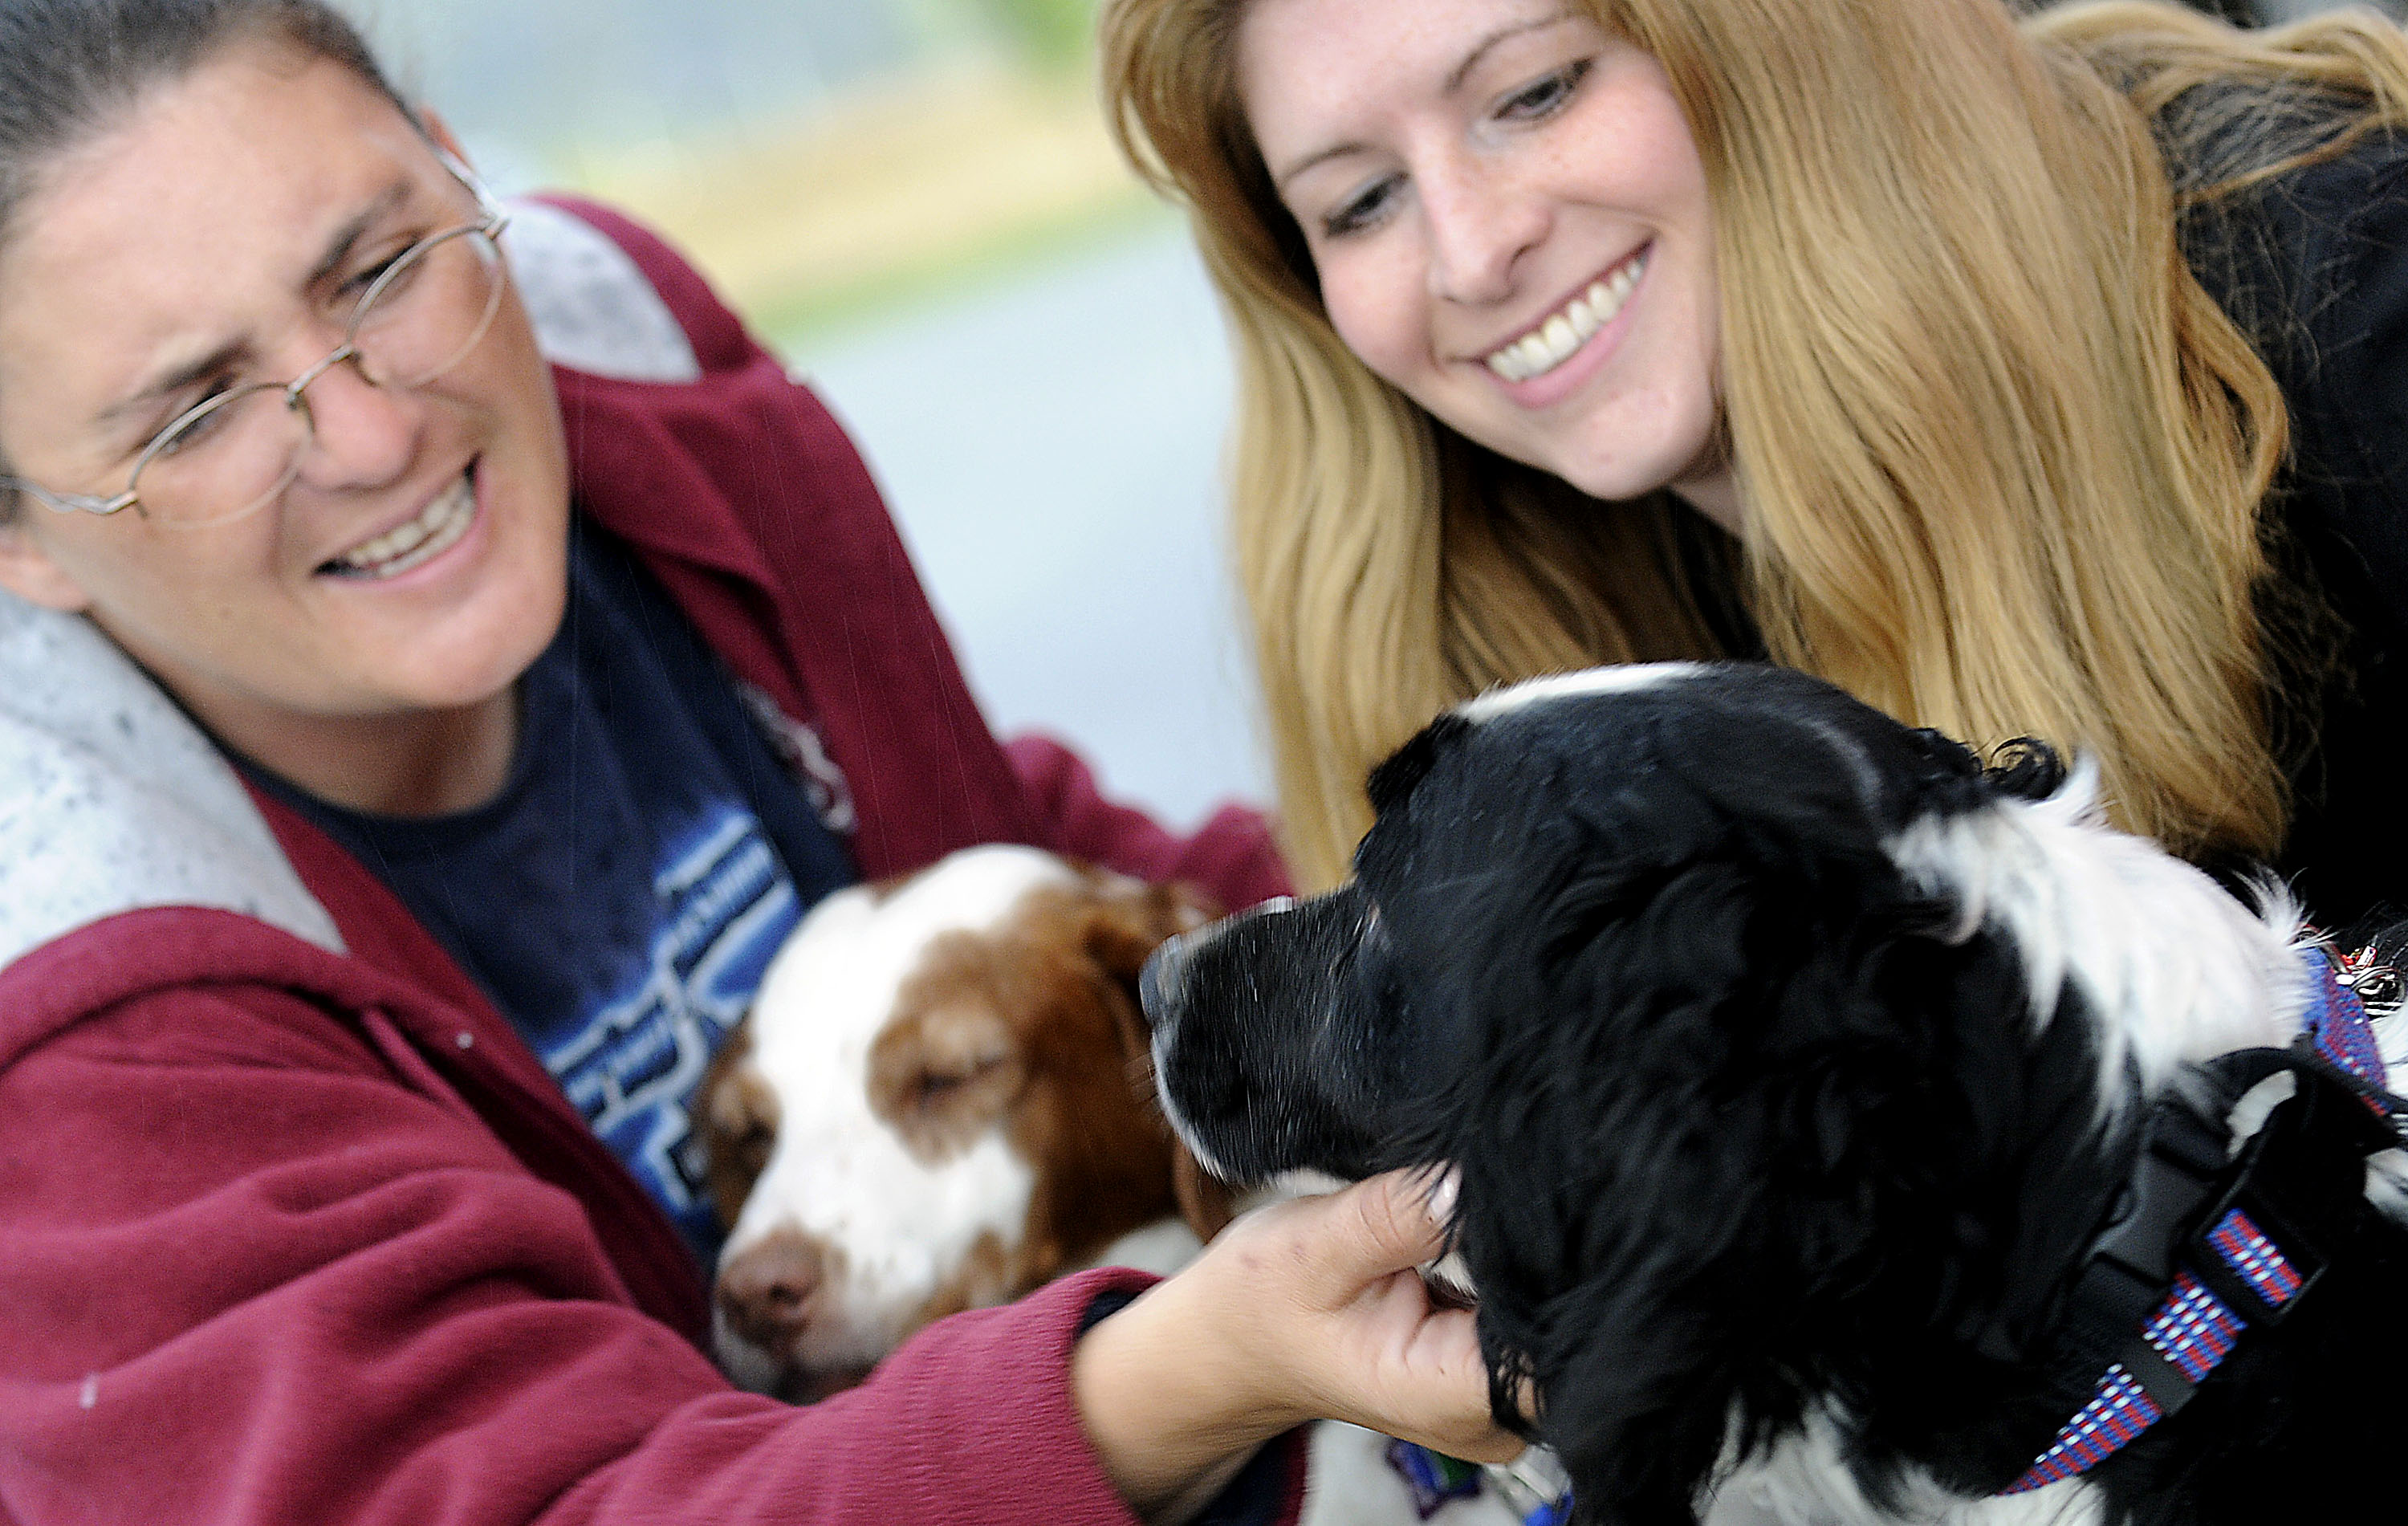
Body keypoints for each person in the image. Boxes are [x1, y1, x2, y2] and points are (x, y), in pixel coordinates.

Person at [0, 2, 1521, 1522]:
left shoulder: (645, 398)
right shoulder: (80, 1058)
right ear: (19, 535)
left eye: (382, 266)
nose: (369, 433)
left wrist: (1459, 955)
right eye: (195, 412)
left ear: (466, 175)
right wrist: (1195, 1371)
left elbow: (995, 847)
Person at [1098, 0, 2408, 930]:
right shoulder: (1516, 633)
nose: (1468, 253)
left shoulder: (2337, 272)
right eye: (1360, 202)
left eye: (1535, 92)